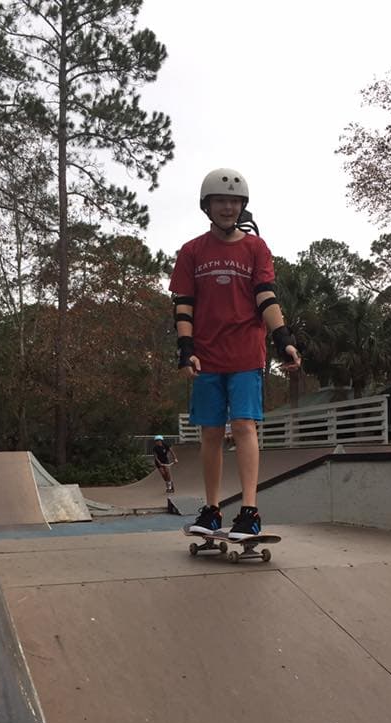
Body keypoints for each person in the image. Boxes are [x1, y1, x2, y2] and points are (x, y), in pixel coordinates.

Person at [169, 168, 301, 539]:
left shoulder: (255, 248)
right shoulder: (192, 251)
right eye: (220, 201)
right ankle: (211, 511)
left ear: (241, 206)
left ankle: (249, 510)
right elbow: (184, 305)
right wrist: (185, 348)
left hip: (245, 353)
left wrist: (284, 339)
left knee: (243, 425)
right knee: (210, 433)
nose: (227, 207)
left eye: (233, 201)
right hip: (207, 356)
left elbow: (265, 296)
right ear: (207, 206)